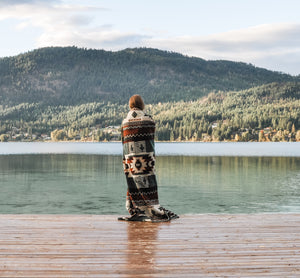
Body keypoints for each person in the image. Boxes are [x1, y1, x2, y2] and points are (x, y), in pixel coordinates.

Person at [119, 94, 178, 222]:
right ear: (142, 104)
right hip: (145, 160)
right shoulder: (148, 120)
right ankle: (152, 208)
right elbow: (151, 138)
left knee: (134, 182)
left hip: (131, 161)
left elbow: (124, 142)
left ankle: (137, 209)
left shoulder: (124, 122)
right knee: (147, 182)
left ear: (130, 105)